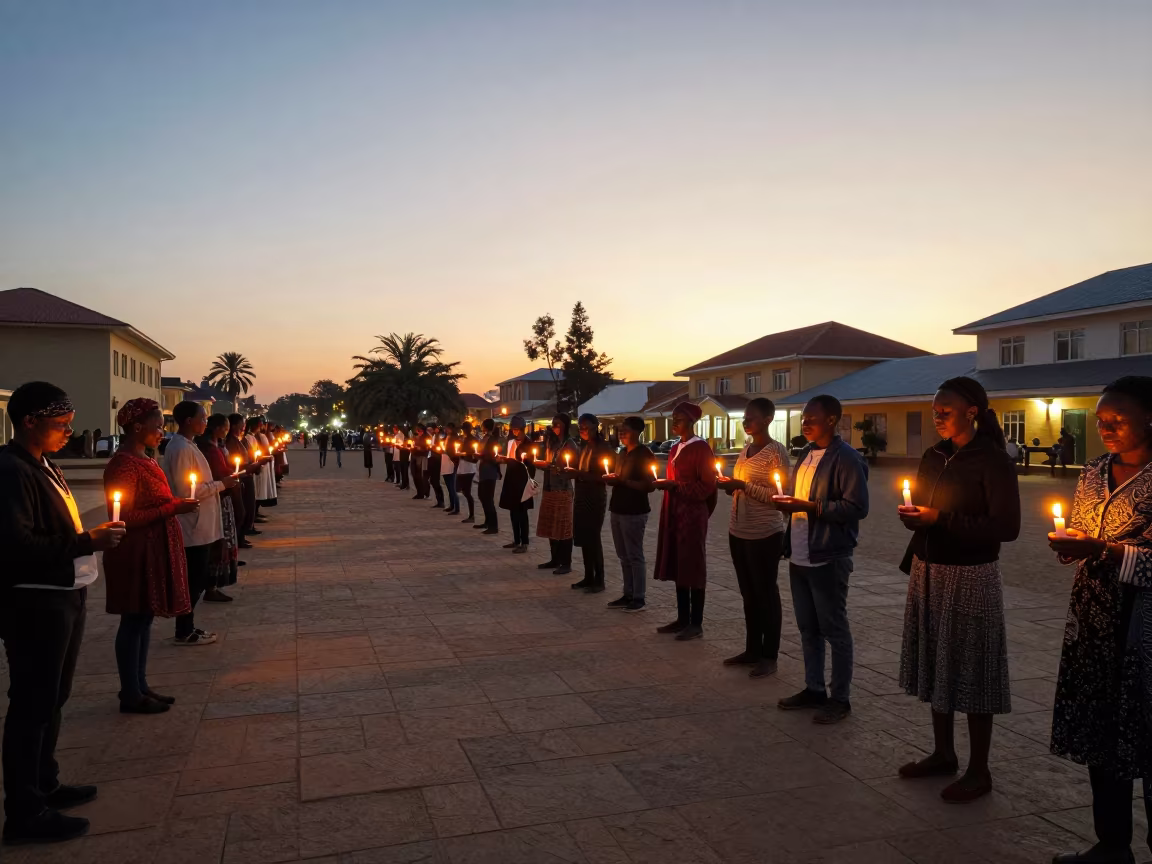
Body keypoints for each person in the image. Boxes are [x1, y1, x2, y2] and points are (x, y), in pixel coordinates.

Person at [0, 383, 127, 844]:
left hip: (64, 594)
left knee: (53, 698)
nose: (68, 432)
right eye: (60, 424)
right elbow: (17, 547)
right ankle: (24, 811)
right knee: (31, 705)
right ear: (30, 421)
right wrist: (87, 541)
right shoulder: (10, 470)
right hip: (34, 602)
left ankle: (45, 782)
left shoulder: (43, 463)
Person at [895, 377, 1019, 802]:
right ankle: (942, 752)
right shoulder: (934, 455)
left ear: (972, 412)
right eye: (934, 411)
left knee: (973, 667)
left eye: (945, 410)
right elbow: (927, 508)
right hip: (929, 569)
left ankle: (979, 769)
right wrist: (915, 516)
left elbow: (1007, 527)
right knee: (937, 661)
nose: (938, 417)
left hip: (972, 574)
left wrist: (939, 519)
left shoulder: (993, 460)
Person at [1048, 376, 1152, 864]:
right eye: (1101, 421)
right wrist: (1072, 546)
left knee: (1145, 734)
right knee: (1100, 731)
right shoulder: (1093, 471)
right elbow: (1083, 529)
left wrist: (1106, 551)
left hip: (1144, 627)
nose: (1106, 428)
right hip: (1093, 618)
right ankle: (1112, 845)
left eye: (1118, 419)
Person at [772, 395, 869, 724]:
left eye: (811, 417)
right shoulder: (805, 454)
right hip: (800, 555)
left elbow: (857, 508)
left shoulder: (846, 458)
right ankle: (814, 688)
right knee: (807, 628)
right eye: (803, 418)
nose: (805, 423)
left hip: (828, 556)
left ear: (831, 420)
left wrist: (812, 508)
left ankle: (840, 697)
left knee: (834, 628)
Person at [103, 399, 197, 715]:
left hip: (153, 547)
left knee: (144, 618)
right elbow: (125, 516)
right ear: (137, 427)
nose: (161, 432)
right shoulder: (124, 464)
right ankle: (130, 692)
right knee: (133, 619)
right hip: (135, 551)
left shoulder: (147, 460)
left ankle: (140, 684)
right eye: (158, 426)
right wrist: (174, 507)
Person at [716, 398, 792, 678]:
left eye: (751, 418)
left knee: (766, 593)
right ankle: (752, 649)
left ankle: (769, 656)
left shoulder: (777, 453)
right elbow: (744, 488)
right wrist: (731, 487)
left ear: (768, 419)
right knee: (748, 593)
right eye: (744, 418)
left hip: (765, 533)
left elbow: (780, 498)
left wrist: (742, 486)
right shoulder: (746, 449)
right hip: (739, 530)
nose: (746, 422)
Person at [163, 401, 235, 645]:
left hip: (200, 522)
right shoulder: (181, 448)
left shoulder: (188, 445)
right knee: (193, 580)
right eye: (202, 418)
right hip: (192, 525)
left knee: (196, 578)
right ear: (188, 421)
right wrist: (221, 484)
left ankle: (188, 625)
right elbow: (187, 490)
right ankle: (184, 629)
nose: (206, 422)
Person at [653, 402, 717, 640]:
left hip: (691, 514)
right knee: (679, 564)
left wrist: (676, 486)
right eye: (673, 418)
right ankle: (682, 618)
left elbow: (707, 485)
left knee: (693, 564)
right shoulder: (675, 448)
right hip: (674, 511)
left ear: (691, 421)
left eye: (679, 419)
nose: (674, 422)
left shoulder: (700, 448)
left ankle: (696, 622)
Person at [604, 416, 655, 612]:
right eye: (620, 430)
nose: (621, 433)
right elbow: (618, 477)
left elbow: (649, 485)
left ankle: (639, 597)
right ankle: (628, 593)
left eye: (624, 429)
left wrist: (623, 482)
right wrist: (612, 479)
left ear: (635, 432)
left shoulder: (644, 454)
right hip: (617, 507)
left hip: (634, 510)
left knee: (634, 555)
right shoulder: (623, 453)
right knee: (623, 555)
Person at [567, 413, 615, 592]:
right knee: (583, 536)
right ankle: (588, 576)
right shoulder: (584, 446)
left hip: (594, 496)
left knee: (593, 538)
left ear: (596, 427)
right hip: (581, 494)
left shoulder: (603, 448)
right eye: (581, 428)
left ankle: (599, 579)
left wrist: (580, 474)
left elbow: (604, 476)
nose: (583, 431)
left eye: (586, 428)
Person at [196, 414, 240, 602]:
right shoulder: (209, 450)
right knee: (217, 541)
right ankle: (211, 585)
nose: (227, 431)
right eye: (224, 427)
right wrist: (229, 478)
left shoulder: (216, 447)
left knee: (222, 539)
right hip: (216, 496)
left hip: (221, 492)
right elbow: (218, 472)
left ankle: (213, 584)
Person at [534, 415, 578, 576]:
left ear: (565, 426)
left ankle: (566, 562)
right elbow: (548, 461)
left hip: (563, 488)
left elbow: (572, 466)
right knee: (551, 523)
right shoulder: (551, 443)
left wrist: (553, 466)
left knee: (563, 526)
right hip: (550, 487)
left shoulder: (570, 444)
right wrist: (542, 464)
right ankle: (555, 558)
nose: (554, 427)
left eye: (557, 424)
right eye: (553, 424)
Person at [495, 416, 536, 552]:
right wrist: (502, 460)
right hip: (511, 479)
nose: (514, 432)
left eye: (517, 429)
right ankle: (516, 539)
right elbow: (510, 458)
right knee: (513, 511)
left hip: (522, 481)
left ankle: (524, 542)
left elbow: (530, 464)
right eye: (513, 429)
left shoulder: (528, 443)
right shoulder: (511, 441)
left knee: (522, 512)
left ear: (523, 429)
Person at [226, 414, 255, 546]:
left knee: (246, 508)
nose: (244, 427)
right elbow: (234, 463)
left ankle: (241, 537)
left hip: (244, 476)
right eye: (241, 424)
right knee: (240, 511)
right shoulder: (231, 442)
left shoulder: (237, 440)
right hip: (239, 478)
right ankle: (238, 539)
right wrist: (250, 466)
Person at [475, 419, 501, 534]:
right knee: (482, 496)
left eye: (482, 425)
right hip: (483, 470)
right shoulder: (485, 438)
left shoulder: (493, 439)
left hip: (489, 471)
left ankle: (493, 526)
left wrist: (482, 456)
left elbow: (493, 457)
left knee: (488, 498)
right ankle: (487, 521)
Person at [455, 422, 477, 523]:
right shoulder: (463, 439)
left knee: (467, 492)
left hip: (469, 468)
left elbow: (474, 456)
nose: (463, 431)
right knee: (461, 490)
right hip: (462, 467)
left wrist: (463, 455)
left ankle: (472, 515)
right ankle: (466, 512)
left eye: (465, 429)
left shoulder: (473, 440)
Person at [441, 423, 460, 515]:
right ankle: (452, 505)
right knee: (448, 485)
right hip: (445, 461)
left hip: (451, 462)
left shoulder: (454, 438)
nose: (446, 430)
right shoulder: (446, 437)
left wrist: (447, 452)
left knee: (452, 486)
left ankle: (456, 507)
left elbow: (454, 451)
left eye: (447, 428)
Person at [426, 423, 445, 509]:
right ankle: (439, 500)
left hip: (436, 459)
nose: (429, 431)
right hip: (431, 458)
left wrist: (432, 448)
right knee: (432, 480)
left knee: (435, 480)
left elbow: (440, 449)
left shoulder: (439, 437)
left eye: (431, 429)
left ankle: (441, 501)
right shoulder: (433, 436)